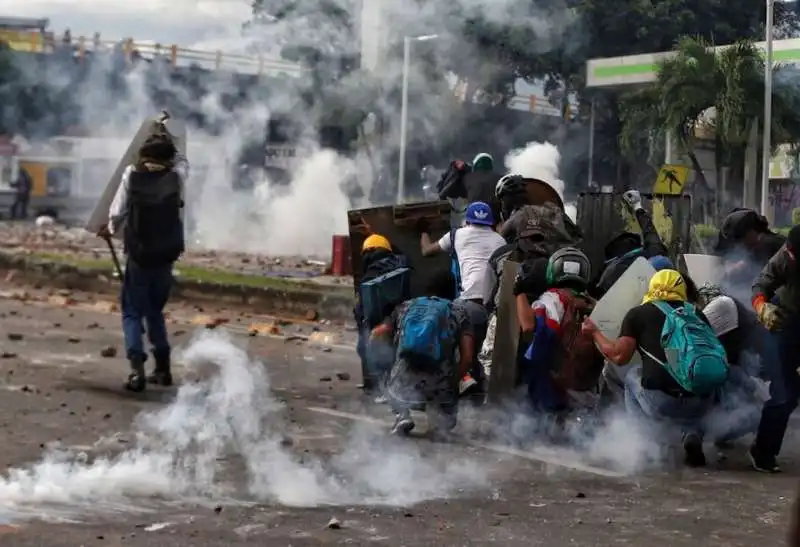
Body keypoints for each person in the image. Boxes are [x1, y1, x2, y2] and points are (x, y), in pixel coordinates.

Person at [583, 269, 728, 467]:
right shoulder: (696, 314)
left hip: (661, 403)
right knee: (700, 379)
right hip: (700, 406)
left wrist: (594, 332)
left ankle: (644, 443)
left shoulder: (638, 314)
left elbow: (619, 357)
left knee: (633, 375)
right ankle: (693, 435)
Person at [97, 128, 187, 392]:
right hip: (166, 255)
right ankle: (162, 368)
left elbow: (117, 212)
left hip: (139, 254)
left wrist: (109, 230)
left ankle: (136, 370)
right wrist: (169, 134)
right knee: (155, 311)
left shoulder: (131, 175)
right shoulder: (177, 176)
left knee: (132, 312)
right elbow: (184, 161)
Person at [372, 271, 474, 436]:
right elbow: (467, 357)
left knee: (391, 373)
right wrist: (453, 382)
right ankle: (440, 422)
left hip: (403, 382)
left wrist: (383, 359)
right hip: (440, 385)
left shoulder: (406, 306)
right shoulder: (459, 312)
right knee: (445, 420)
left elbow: (378, 333)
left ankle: (402, 415)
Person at [420, 201, 505, 393]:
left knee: (446, 336)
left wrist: (423, 231)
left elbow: (426, 251)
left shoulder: (457, 234)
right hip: (492, 309)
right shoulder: (499, 240)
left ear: (468, 220)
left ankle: (459, 378)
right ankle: (480, 384)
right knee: (483, 349)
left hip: (466, 304)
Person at [516, 247, 601, 418]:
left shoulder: (551, 299)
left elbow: (529, 328)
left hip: (550, 385)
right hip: (584, 385)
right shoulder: (594, 304)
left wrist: (518, 292)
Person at [748, 225, 800, 472]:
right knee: (784, 394)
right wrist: (761, 307)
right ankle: (763, 450)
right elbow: (760, 285)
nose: (788, 256)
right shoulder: (787, 255)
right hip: (781, 326)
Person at [354, 234, 410, 401]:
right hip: (404, 317)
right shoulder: (402, 263)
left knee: (366, 349)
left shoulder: (370, 275)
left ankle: (384, 390)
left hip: (381, 323)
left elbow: (362, 310)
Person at [590, 190, 670, 299]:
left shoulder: (609, 271)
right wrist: (638, 207)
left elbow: (593, 294)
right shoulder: (651, 254)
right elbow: (650, 232)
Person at [715, 208, 785, 294]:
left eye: (739, 239)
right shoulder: (761, 244)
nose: (739, 245)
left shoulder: (767, 244)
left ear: (751, 232)